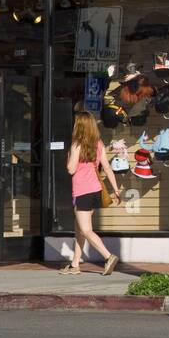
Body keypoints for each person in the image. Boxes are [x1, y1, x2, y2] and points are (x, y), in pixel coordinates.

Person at [62, 110, 121, 276]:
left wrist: (68, 156)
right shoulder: (99, 143)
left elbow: (71, 169)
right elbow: (107, 167)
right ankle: (75, 264)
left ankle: (108, 257)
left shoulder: (76, 144)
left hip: (82, 191)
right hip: (95, 190)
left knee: (86, 230)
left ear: (78, 126)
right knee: (79, 228)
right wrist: (115, 189)